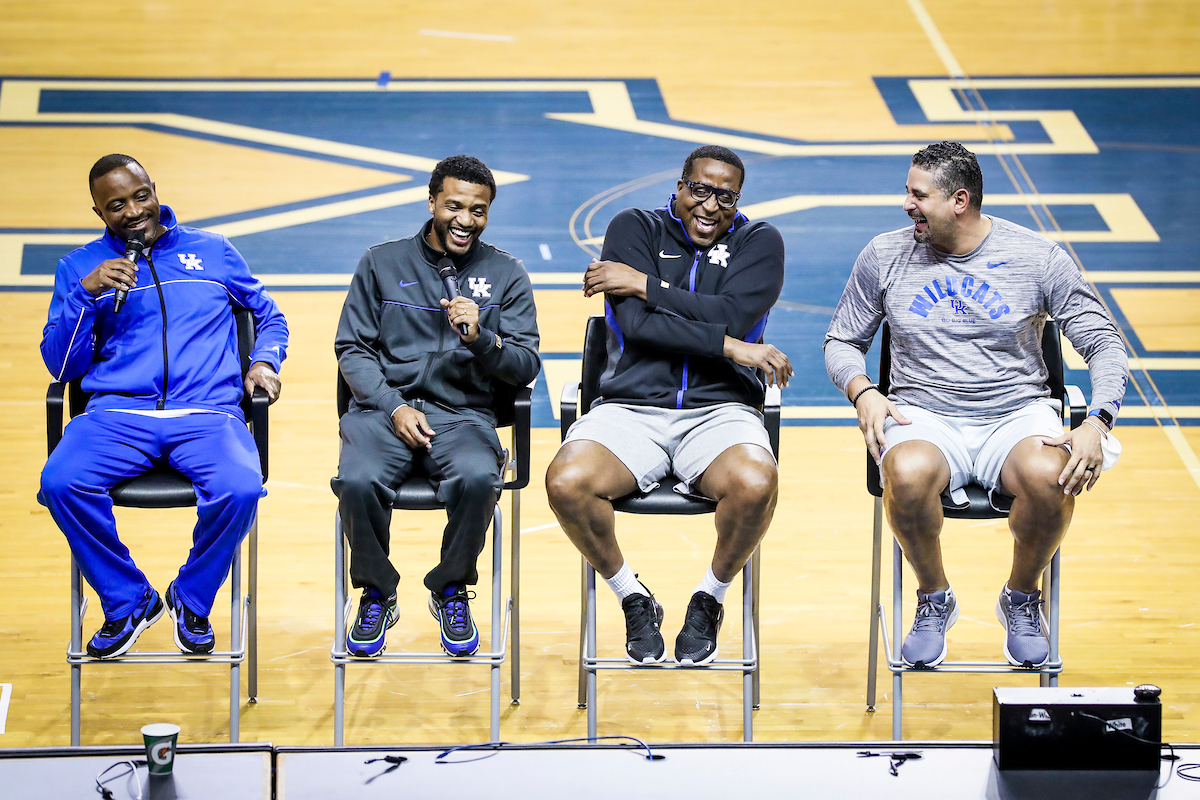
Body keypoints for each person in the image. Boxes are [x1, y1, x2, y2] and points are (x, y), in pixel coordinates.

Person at [824, 141, 1127, 669]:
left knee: (1050, 473)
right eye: (907, 192)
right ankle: (933, 596)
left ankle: (1022, 596)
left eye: (918, 195)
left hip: (1014, 412)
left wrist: (1097, 422)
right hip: (924, 412)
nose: (906, 205)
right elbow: (841, 341)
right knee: (907, 471)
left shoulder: (1038, 257)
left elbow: (1103, 341)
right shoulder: (884, 255)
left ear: (959, 200)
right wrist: (863, 389)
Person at [545, 145, 792, 666]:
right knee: (567, 482)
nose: (710, 206)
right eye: (699, 190)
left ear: (737, 201)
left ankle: (710, 597)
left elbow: (735, 312)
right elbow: (637, 327)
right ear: (678, 188)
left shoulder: (760, 241)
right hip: (630, 407)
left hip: (721, 410)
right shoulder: (633, 228)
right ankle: (632, 596)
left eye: (725, 196)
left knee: (756, 482)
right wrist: (729, 345)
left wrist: (643, 284)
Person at [39, 154, 288, 659]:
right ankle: (129, 600)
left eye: (140, 196)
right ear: (99, 213)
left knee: (241, 488)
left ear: (154, 189)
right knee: (60, 484)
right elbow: (62, 367)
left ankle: (191, 596)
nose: (132, 212)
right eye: (116, 206)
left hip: (207, 413)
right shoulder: (78, 267)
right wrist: (84, 297)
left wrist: (263, 362)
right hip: (116, 416)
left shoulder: (213, 251)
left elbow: (269, 315)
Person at [333, 155, 540, 658]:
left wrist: (482, 339)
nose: (465, 220)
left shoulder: (506, 273)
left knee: (477, 479)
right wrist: (391, 405)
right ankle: (377, 591)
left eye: (479, 210)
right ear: (431, 203)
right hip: (385, 412)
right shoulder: (381, 263)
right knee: (357, 482)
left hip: (464, 415)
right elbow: (352, 349)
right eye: (454, 206)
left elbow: (526, 363)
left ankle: (451, 587)